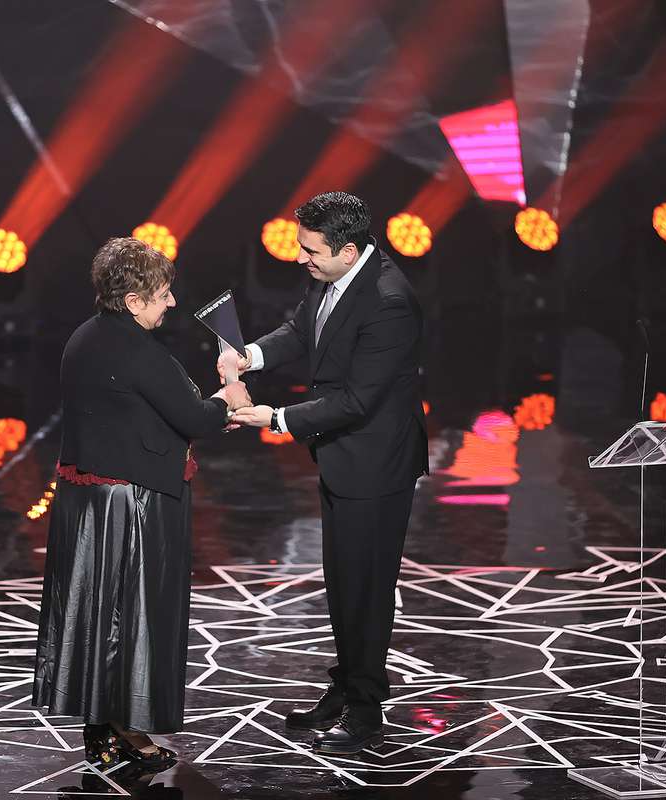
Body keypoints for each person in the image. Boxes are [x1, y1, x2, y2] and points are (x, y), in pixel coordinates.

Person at [33, 237, 251, 772]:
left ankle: (103, 728)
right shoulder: (139, 351)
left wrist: (213, 405)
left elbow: (144, 412)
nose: (172, 302)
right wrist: (228, 394)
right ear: (133, 301)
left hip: (90, 503)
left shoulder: (85, 336)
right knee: (132, 619)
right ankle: (126, 729)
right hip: (132, 505)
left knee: (99, 617)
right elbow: (194, 417)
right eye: (163, 293)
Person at [227, 191, 428, 755]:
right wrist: (249, 356)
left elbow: (358, 400)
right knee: (343, 583)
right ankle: (346, 687)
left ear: (348, 250)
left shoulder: (389, 301)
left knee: (367, 587)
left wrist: (275, 418)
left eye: (311, 251)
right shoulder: (331, 275)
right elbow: (301, 331)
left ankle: (365, 707)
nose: (300, 259)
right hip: (343, 457)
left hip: (376, 463)